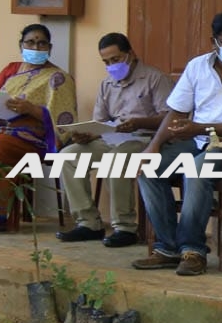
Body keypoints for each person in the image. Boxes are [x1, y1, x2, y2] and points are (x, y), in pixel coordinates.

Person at [135, 9, 222, 276]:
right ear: (214, 41)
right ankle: (168, 247)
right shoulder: (197, 66)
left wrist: (198, 128)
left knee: (197, 169)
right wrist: (153, 146)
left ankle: (193, 250)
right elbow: (176, 112)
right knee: (149, 167)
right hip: (198, 140)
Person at [0, 23, 78, 232]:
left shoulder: (58, 77)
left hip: (32, 134)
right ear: (21, 45)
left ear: (50, 48)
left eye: (42, 43)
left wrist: (31, 109)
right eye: (30, 42)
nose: (36, 47)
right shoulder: (12, 69)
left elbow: (64, 120)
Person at [55, 33, 172, 248]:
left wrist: (139, 123)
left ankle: (125, 227)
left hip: (144, 139)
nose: (111, 66)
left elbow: (168, 117)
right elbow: (100, 121)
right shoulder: (107, 84)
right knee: (67, 156)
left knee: (115, 159)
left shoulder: (155, 78)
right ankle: (89, 223)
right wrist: (87, 133)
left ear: (130, 54)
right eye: (106, 62)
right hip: (110, 138)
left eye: (115, 59)